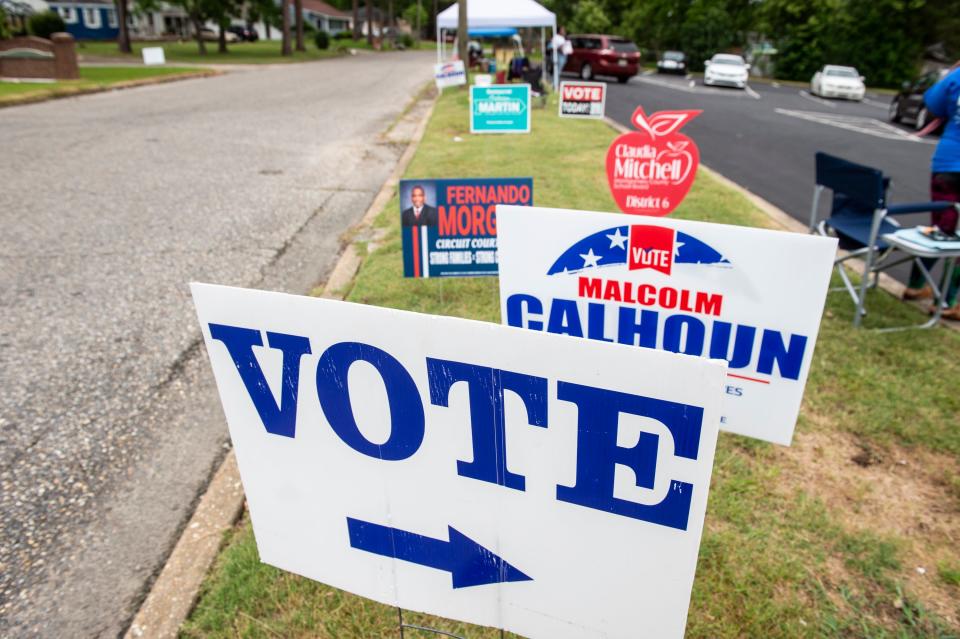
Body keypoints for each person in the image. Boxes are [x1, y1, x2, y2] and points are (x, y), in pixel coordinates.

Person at [902, 60, 960, 320]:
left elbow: (933, 103)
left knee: (941, 229)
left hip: (947, 162)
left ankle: (916, 286)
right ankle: (947, 301)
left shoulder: (957, 75)